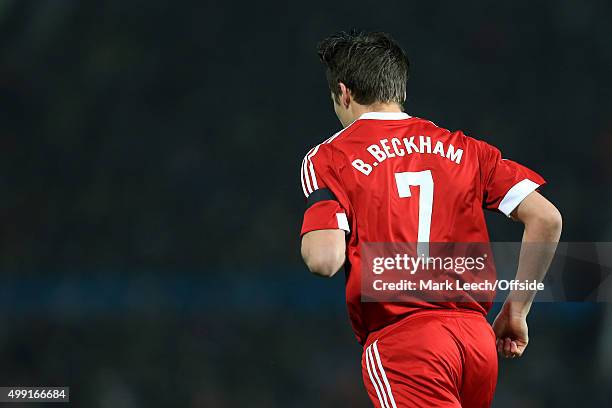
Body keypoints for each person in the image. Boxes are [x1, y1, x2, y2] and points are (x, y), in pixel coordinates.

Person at [299, 30, 562, 407]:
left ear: (343, 93)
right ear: (399, 91)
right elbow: (547, 218)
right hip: (476, 344)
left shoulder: (329, 157)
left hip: (406, 342)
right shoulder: (466, 149)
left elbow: (324, 260)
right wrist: (517, 310)